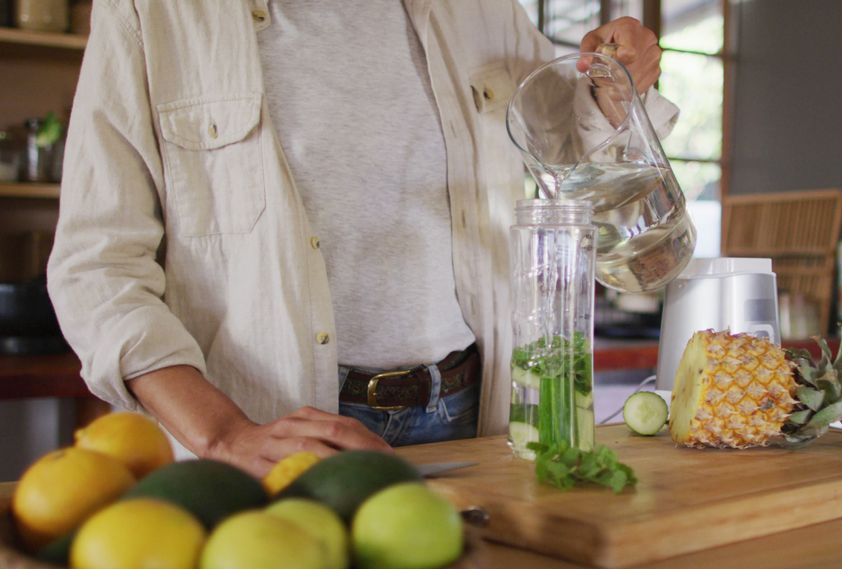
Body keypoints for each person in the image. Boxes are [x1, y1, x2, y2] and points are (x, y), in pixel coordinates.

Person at [47, 0, 677, 477]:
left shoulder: (480, 8)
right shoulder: (154, 13)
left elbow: (576, 162)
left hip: (468, 419)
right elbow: (97, 267)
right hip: (263, 429)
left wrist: (614, 85)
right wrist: (223, 435)